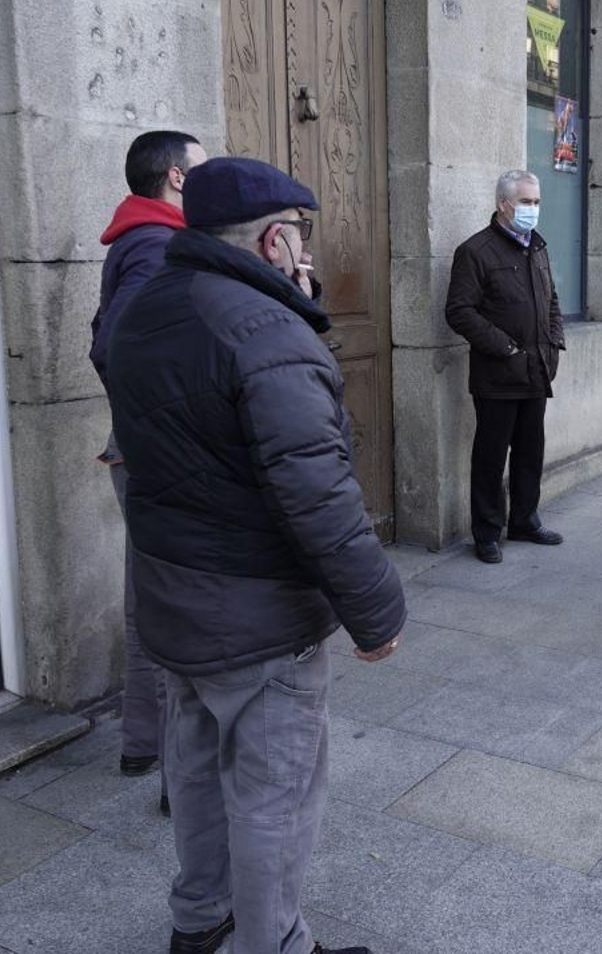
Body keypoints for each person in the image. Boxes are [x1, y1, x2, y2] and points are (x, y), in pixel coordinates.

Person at [105, 157, 404, 954]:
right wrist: (376, 608)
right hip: (258, 610)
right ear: (275, 239)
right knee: (274, 792)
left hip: (173, 589)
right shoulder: (265, 331)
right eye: (299, 238)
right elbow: (317, 491)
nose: (306, 253)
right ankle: (274, 943)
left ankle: (199, 923)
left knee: (197, 773)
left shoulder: (146, 309)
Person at [88, 130, 207, 799]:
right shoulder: (160, 246)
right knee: (177, 607)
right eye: (205, 168)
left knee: (148, 598)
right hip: (157, 456)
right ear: (177, 179)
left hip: (140, 447)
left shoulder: (146, 240)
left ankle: (142, 742)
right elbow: (116, 343)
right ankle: (176, 766)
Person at [445, 169, 566, 565]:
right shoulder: (475, 251)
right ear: (503, 203)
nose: (532, 209)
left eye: (536, 202)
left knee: (531, 451)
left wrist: (555, 344)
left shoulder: (538, 247)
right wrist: (506, 348)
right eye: (525, 202)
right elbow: (459, 311)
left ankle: (525, 520)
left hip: (536, 370)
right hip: (498, 373)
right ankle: (487, 532)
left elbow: (551, 300)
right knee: (491, 455)